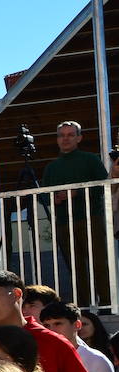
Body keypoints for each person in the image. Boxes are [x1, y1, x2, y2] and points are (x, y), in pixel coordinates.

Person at [42, 121, 111, 306]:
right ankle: (83, 306)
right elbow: (43, 195)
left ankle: (106, 304)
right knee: (75, 267)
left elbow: (102, 187)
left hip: (90, 219)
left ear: (79, 138)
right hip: (64, 222)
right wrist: (53, 198)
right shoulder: (52, 167)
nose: (65, 139)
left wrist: (76, 193)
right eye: (62, 135)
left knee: (99, 263)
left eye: (70, 135)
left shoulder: (90, 159)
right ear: (57, 139)